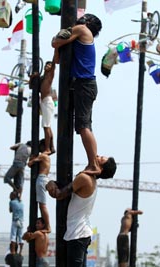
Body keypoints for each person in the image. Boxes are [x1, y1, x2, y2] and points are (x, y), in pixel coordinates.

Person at [51, 14, 103, 175]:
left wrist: (59, 40)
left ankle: (93, 164)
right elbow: (58, 58)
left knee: (83, 126)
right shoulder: (79, 36)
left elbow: (56, 42)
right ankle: (92, 163)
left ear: (88, 23)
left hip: (84, 85)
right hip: (82, 85)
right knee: (83, 126)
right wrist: (59, 44)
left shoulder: (81, 29)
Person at [46, 155, 116, 267]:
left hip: (78, 233)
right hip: (80, 232)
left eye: (101, 158)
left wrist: (49, 184)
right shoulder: (89, 179)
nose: (97, 156)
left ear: (100, 169)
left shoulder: (85, 178)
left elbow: (59, 195)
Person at [9, 191, 24, 255]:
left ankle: (13, 251)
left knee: (13, 236)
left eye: (10, 195)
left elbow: (10, 210)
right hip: (21, 221)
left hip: (15, 220)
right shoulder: (22, 202)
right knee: (20, 237)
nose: (9, 197)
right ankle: (20, 252)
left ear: (13, 196)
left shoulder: (11, 202)